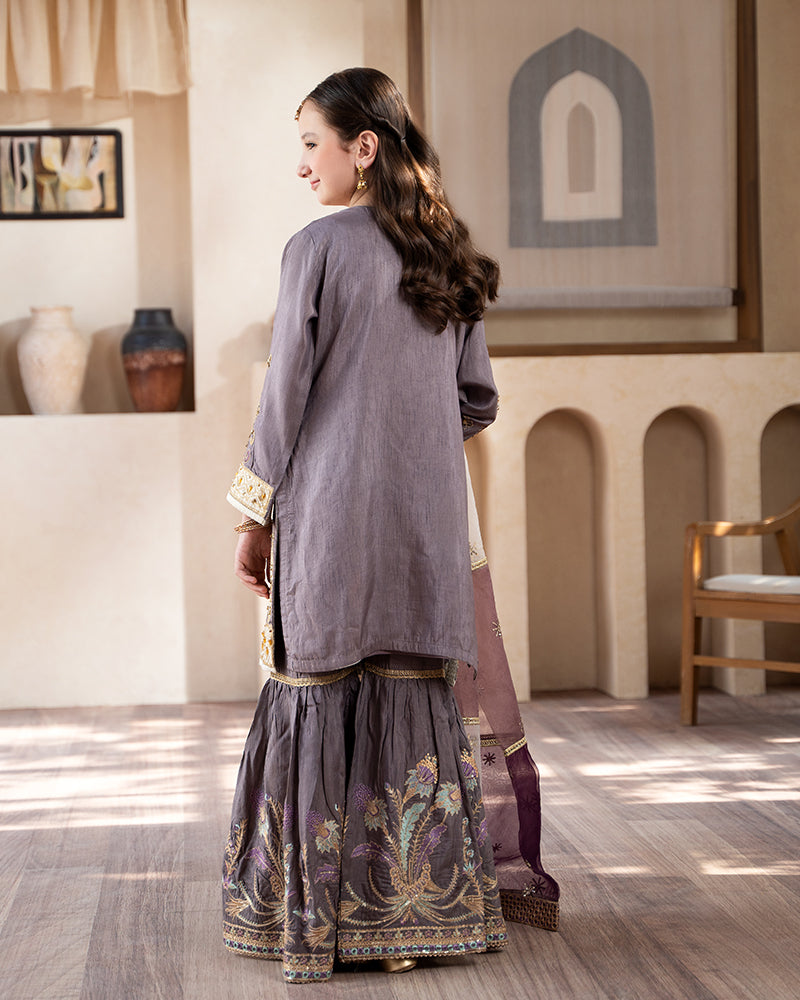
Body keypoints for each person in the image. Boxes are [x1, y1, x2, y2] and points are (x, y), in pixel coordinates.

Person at [222, 67, 506, 985]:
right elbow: (476, 400)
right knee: (408, 692)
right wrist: (407, 447)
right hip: (424, 525)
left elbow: (285, 398)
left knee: (318, 687)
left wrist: (256, 512)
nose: (303, 164)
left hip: (331, 519)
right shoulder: (446, 249)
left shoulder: (316, 247)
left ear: (364, 146)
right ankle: (411, 926)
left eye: (312, 144)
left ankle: (318, 927)